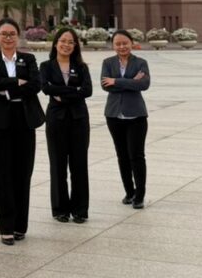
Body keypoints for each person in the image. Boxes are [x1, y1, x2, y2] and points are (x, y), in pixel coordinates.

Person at [0, 18, 44, 244]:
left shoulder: (28, 59)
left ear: (18, 36)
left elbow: (35, 85)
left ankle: (20, 226)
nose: (8, 38)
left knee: (23, 173)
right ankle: (6, 227)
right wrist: (16, 82)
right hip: (0, 122)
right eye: (4, 34)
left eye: (12, 34)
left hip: (24, 119)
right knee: (3, 174)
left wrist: (7, 87)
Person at [39, 27, 93, 222]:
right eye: (63, 41)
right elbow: (45, 88)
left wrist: (61, 92)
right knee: (58, 164)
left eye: (71, 42)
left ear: (75, 46)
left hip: (79, 119)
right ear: (56, 43)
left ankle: (80, 210)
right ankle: (60, 209)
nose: (66, 45)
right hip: (56, 119)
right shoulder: (46, 66)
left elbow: (87, 91)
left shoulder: (81, 67)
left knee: (79, 164)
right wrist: (73, 90)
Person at [100, 30, 150, 209]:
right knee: (122, 155)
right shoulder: (108, 62)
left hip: (136, 116)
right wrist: (131, 82)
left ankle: (140, 195)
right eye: (118, 44)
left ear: (131, 43)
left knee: (136, 155)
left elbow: (144, 84)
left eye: (125, 43)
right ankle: (129, 192)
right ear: (113, 45)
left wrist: (117, 81)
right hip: (114, 115)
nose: (122, 47)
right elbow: (105, 86)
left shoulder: (141, 62)